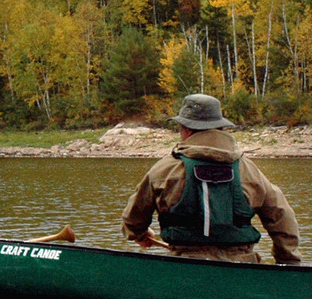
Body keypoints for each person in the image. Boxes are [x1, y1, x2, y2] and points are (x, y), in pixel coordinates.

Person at [121, 94, 301, 265]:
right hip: (242, 266)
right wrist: (288, 261)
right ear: (220, 128)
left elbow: (134, 217)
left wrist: (139, 233)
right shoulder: (250, 170)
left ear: (187, 130)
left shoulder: (164, 169)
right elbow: (281, 216)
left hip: (183, 266)